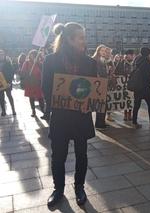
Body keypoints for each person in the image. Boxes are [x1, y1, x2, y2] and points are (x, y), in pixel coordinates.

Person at [42, 22, 97, 207]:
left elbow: (93, 89)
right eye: (81, 37)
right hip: (60, 117)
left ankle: (79, 187)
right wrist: (57, 103)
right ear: (70, 39)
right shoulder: (51, 60)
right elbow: (46, 88)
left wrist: (89, 104)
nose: (84, 41)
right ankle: (58, 189)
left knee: (82, 154)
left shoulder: (90, 62)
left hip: (81, 117)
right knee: (58, 155)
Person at [131, 47, 150, 129]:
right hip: (145, 87)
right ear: (147, 54)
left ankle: (134, 122)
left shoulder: (137, 60)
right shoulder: (147, 62)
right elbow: (147, 75)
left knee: (136, 105)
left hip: (137, 87)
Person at [20, 49, 45, 117]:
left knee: (40, 98)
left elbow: (43, 71)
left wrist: (39, 63)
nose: (33, 56)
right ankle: (33, 111)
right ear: (29, 55)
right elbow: (22, 72)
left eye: (34, 55)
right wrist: (26, 75)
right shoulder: (26, 63)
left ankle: (43, 110)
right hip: (30, 83)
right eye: (31, 55)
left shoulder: (40, 63)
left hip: (38, 83)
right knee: (31, 98)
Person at [92, 44, 109, 129]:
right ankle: (99, 124)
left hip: (104, 84)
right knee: (100, 105)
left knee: (104, 105)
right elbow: (96, 73)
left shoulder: (104, 60)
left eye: (105, 51)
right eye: (102, 50)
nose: (104, 52)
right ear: (98, 51)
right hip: (99, 86)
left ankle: (102, 121)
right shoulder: (95, 60)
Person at [114, 49, 135, 121]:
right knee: (125, 100)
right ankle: (126, 114)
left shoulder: (134, 63)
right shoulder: (121, 63)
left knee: (131, 99)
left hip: (132, 85)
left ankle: (130, 114)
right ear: (126, 56)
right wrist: (124, 75)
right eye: (130, 55)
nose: (132, 57)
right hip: (123, 85)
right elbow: (116, 72)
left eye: (132, 55)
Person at [0, 49, 16, 116]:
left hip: (7, 83)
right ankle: (3, 111)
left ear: (4, 55)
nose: (1, 56)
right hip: (0, 83)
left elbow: (11, 72)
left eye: (2, 54)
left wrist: (9, 82)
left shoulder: (8, 62)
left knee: (9, 96)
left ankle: (13, 110)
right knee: (1, 97)